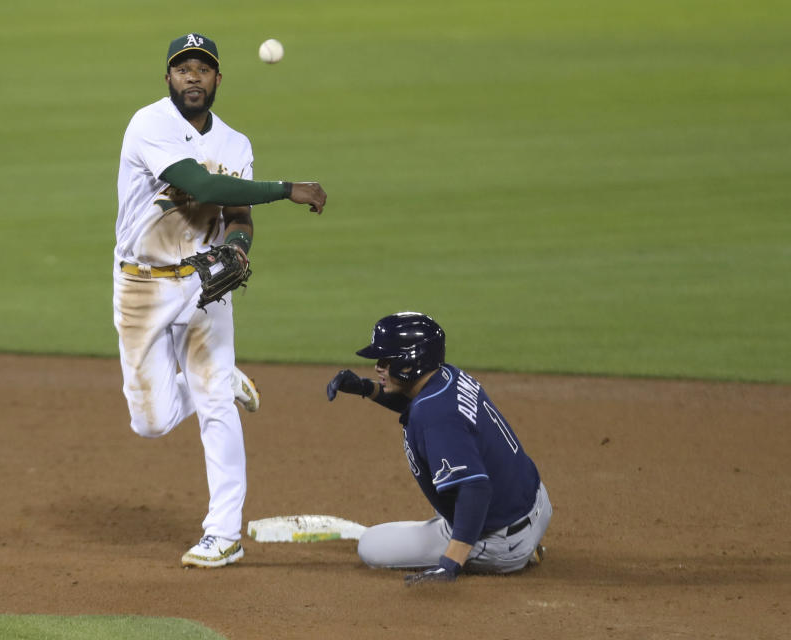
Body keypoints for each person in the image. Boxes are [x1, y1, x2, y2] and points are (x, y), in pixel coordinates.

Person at [113, 33, 327, 568]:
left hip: (204, 285)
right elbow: (201, 185)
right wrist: (286, 188)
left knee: (214, 407)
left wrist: (237, 249)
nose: (192, 77)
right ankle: (224, 379)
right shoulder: (149, 124)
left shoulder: (237, 143)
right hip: (140, 284)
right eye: (182, 68)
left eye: (202, 69)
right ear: (168, 78)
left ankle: (223, 532)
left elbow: (237, 215)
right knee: (152, 421)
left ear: (217, 80)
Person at [326, 312, 551, 585]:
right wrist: (364, 388)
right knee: (450, 472)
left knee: (370, 546)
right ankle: (521, 543)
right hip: (534, 503)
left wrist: (449, 565)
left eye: (387, 360)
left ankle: (506, 553)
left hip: (498, 539)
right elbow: (415, 402)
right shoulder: (447, 376)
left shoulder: (435, 415)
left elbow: (476, 490)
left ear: (412, 362)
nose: (378, 367)